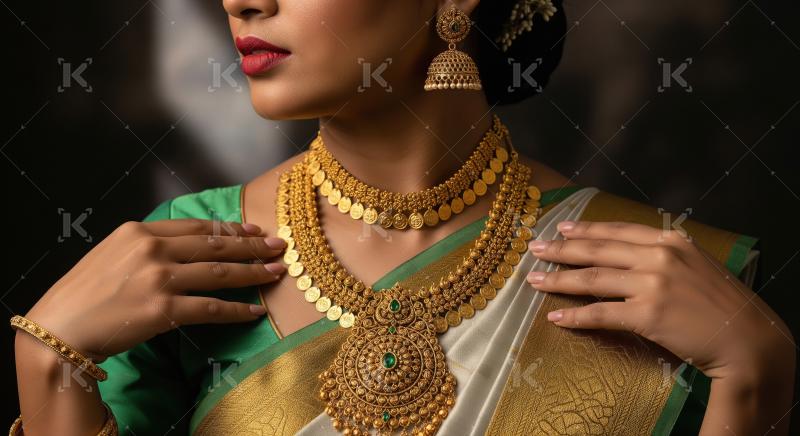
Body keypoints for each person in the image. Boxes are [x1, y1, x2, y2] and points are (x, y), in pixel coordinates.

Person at [11, 1, 794, 435]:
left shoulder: (664, 274)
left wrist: (754, 380)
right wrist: (47, 361)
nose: (243, 1)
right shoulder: (178, 260)